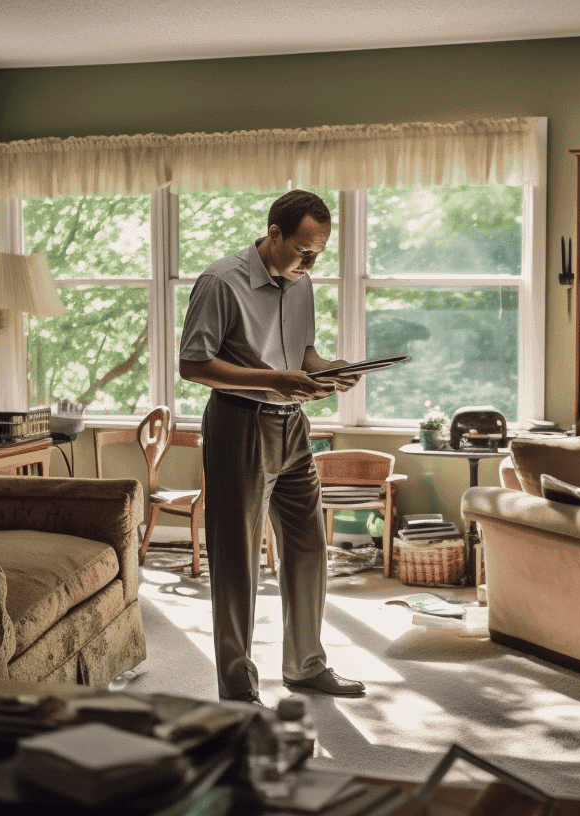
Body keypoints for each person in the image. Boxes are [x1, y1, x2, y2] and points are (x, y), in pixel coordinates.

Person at [178, 190, 365, 704]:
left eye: (319, 253)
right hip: (238, 425)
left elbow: (303, 354)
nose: (311, 262)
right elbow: (193, 364)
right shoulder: (221, 281)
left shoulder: (302, 283)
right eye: (303, 251)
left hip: (294, 426)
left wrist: (329, 369)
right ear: (273, 233)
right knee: (237, 560)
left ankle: (305, 666)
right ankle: (237, 689)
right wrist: (273, 380)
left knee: (308, 547)